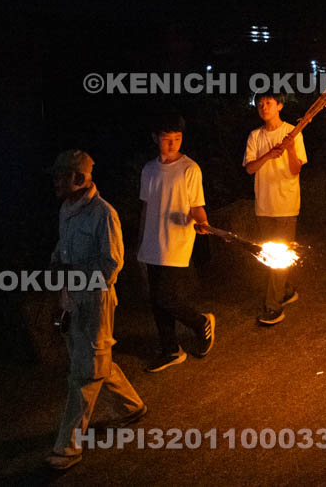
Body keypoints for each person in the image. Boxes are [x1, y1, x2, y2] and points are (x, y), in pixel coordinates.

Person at [45, 149, 146, 472]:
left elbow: (112, 265)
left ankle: (68, 447)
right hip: (72, 297)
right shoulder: (67, 208)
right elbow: (63, 246)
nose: (55, 181)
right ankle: (131, 406)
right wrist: (56, 264)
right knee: (95, 359)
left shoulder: (104, 214)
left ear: (79, 178)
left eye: (61, 176)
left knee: (84, 374)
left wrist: (74, 273)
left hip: (95, 301)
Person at [137, 115, 214, 373]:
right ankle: (170, 349)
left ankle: (200, 322)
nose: (172, 144)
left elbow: (196, 205)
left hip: (176, 241)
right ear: (155, 138)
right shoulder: (149, 169)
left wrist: (202, 222)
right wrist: (141, 240)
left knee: (165, 296)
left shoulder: (189, 169)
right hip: (152, 241)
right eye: (167, 139)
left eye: (177, 139)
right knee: (156, 300)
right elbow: (146, 207)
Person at [244, 93, 305, 325]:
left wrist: (290, 149)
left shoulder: (293, 132)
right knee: (270, 256)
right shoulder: (255, 136)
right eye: (260, 104)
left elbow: (296, 169)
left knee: (278, 257)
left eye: (269, 103)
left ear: (279, 105)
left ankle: (273, 306)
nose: (264, 107)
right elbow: (250, 169)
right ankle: (286, 290)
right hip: (264, 206)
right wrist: (268, 155)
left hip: (286, 204)